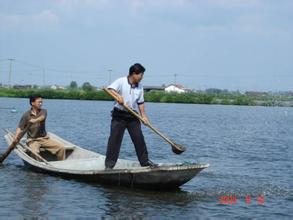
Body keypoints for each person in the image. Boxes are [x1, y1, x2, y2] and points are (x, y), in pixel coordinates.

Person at [105, 63, 156, 169]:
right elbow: (109, 89)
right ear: (134, 74)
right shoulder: (121, 81)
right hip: (119, 115)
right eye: (141, 75)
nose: (142, 77)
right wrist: (118, 96)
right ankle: (109, 166)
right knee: (115, 140)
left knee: (139, 139)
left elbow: (140, 102)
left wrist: (144, 116)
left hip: (132, 115)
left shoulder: (140, 86)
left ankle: (145, 162)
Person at [13, 95, 66, 161]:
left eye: (41, 102)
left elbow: (42, 117)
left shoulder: (43, 111)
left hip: (44, 139)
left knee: (61, 148)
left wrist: (34, 120)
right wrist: (15, 137)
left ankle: (61, 163)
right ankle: (40, 166)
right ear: (32, 103)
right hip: (32, 140)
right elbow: (20, 127)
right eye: (39, 102)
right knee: (35, 152)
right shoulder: (26, 115)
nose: (41, 104)